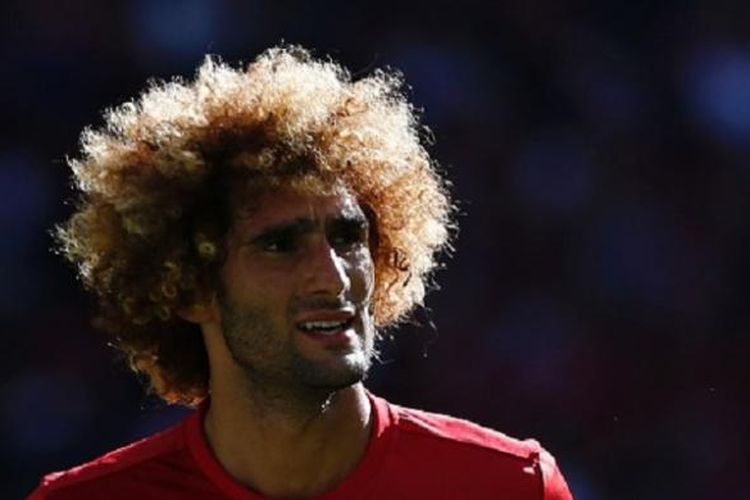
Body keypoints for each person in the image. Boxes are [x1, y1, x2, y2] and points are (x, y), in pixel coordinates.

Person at [31, 46, 573, 499]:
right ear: (190, 288)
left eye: (348, 237)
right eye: (280, 245)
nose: (332, 276)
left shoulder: (508, 486)